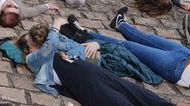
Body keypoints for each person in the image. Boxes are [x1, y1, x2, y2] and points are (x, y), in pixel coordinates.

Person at [19, 17, 172, 105]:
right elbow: (49, 45)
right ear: (27, 47)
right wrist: (57, 24)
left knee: (142, 95)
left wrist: (94, 46)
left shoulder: (56, 50)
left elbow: (82, 53)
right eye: (29, 39)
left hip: (98, 73)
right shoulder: (32, 59)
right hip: (86, 84)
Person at [85, 9, 190, 94]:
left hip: (177, 68)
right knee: (146, 38)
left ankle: (83, 33)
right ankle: (120, 23)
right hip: (189, 54)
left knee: (127, 46)